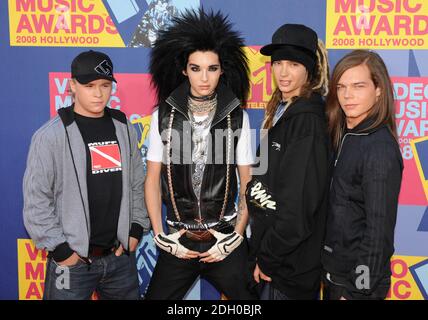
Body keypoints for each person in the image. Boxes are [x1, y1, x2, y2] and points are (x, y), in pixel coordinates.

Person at [144, 9, 256, 300]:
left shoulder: (237, 118)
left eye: (212, 68)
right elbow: (152, 179)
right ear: (184, 69)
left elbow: (247, 183)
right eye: (196, 68)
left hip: (224, 239)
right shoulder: (162, 116)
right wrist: (161, 237)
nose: (204, 78)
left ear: (223, 70)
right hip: (178, 241)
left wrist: (236, 237)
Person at [23, 50, 150, 300]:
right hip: (72, 262)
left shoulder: (123, 127)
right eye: (89, 85)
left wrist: (135, 229)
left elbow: (137, 182)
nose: (98, 93)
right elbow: (37, 200)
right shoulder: (50, 136)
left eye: (105, 85)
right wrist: (61, 252)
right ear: (72, 86)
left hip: (118, 258)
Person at [246, 24, 330, 300]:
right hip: (273, 260)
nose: (283, 72)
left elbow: (298, 209)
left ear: (308, 69)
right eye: (278, 63)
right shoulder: (282, 110)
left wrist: (268, 258)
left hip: (287, 269)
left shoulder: (307, 121)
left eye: (293, 64)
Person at [322, 50, 403, 300]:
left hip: (356, 286)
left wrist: (358, 290)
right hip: (334, 275)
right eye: (342, 87)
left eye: (358, 86)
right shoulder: (347, 135)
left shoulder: (378, 148)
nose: (347, 95)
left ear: (378, 90)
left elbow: (378, 234)